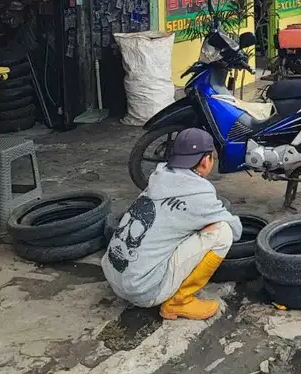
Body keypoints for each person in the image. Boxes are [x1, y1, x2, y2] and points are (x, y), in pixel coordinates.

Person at [102, 129, 241, 321]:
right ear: (205, 160)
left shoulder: (159, 177)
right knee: (222, 231)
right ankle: (179, 302)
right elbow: (236, 230)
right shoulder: (198, 192)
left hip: (114, 277)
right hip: (143, 291)